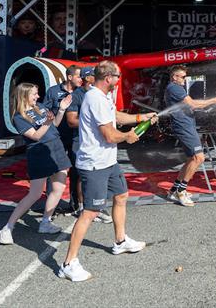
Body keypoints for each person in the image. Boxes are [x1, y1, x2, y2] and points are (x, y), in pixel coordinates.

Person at [58, 61, 157, 281]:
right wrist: (128, 136)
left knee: (121, 195)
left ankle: (120, 242)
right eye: (118, 76)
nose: (120, 79)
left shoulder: (103, 96)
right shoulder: (95, 98)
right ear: (109, 78)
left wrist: (142, 118)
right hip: (94, 163)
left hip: (108, 161)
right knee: (90, 212)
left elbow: (116, 117)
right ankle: (68, 263)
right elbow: (110, 135)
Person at [0, 83, 72, 244]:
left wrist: (62, 109)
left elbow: (55, 124)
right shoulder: (18, 117)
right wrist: (46, 123)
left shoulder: (40, 106)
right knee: (35, 194)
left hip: (56, 147)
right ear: (24, 96)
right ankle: (7, 228)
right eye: (34, 94)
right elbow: (36, 136)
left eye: (37, 94)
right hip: (39, 153)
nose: (38, 97)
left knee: (59, 188)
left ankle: (46, 221)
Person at [165, 65, 216, 206]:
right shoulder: (174, 88)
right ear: (175, 77)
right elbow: (192, 104)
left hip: (186, 126)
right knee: (199, 158)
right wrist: (213, 101)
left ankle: (173, 190)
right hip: (183, 127)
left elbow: (189, 105)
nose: (185, 79)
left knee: (191, 158)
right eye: (183, 77)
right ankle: (181, 191)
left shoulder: (176, 88)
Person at [44, 65, 84, 216]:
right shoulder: (53, 91)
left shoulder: (81, 93)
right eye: (79, 76)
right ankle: (50, 209)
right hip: (56, 136)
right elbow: (45, 110)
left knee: (76, 170)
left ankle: (74, 204)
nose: (81, 80)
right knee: (53, 169)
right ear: (69, 77)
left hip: (75, 137)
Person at [64, 66, 95, 216]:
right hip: (80, 140)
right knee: (83, 175)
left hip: (94, 140)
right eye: (95, 75)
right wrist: (94, 122)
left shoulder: (97, 94)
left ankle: (93, 206)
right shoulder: (77, 95)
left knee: (94, 173)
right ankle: (83, 207)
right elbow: (71, 121)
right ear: (88, 78)